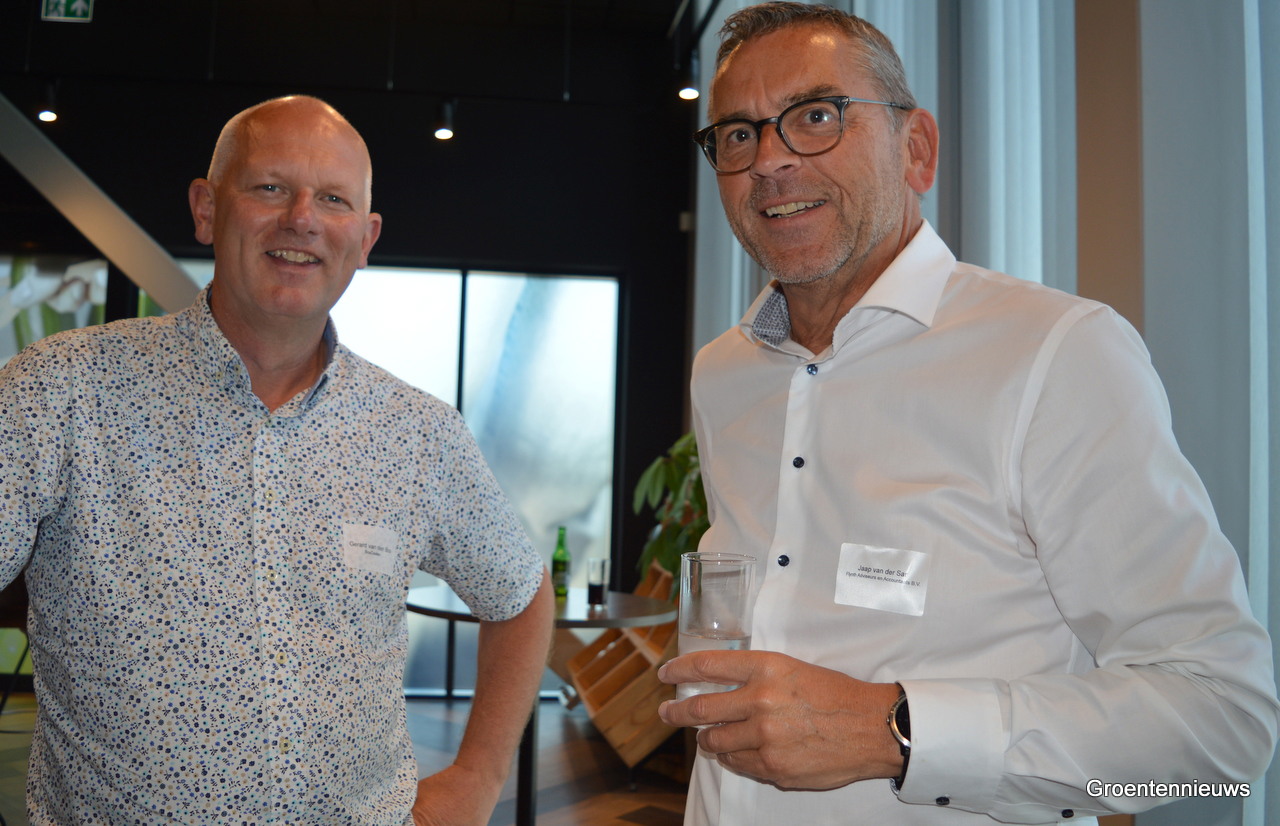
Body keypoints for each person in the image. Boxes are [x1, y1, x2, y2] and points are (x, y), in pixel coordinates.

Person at [656, 4, 1278, 824]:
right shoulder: (724, 373)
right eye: (738, 134)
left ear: (916, 148)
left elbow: (1224, 723)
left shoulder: (1056, 353)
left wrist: (893, 731)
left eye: (816, 116)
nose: (769, 159)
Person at [0, 95, 553, 825]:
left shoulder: (418, 433)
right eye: (269, 187)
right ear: (206, 209)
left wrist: (477, 780)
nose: (302, 219)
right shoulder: (62, 391)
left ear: (365, 238)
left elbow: (519, 594)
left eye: (334, 199)